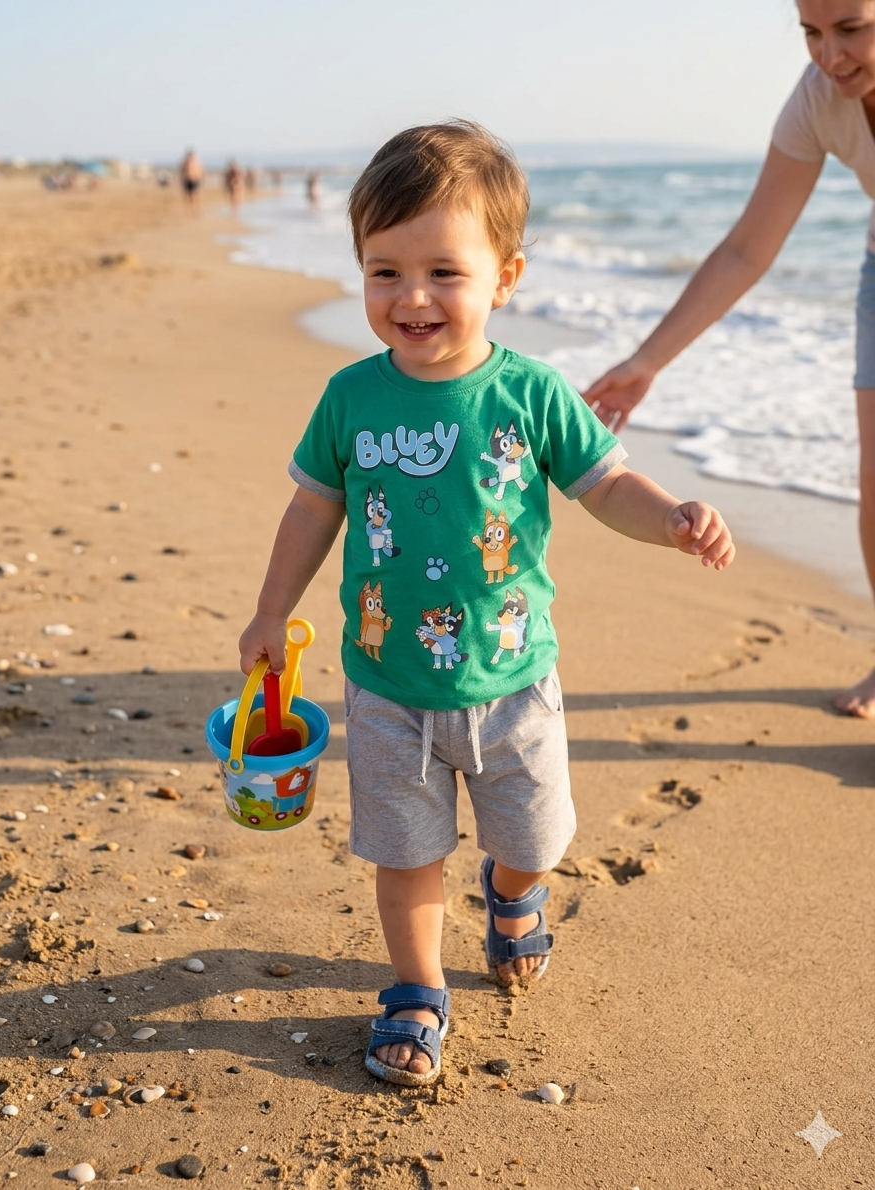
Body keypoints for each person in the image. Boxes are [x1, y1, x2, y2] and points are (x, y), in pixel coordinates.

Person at [238, 120, 735, 1087]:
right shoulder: (351, 398)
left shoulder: (533, 394)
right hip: (387, 683)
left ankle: (511, 899)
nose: (411, 298)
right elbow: (313, 507)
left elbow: (604, 485)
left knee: (537, 841)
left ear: (504, 278)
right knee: (404, 856)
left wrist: (671, 514)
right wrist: (269, 612)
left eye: (443, 273)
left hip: (513, 680)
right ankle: (416, 992)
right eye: (384, 272)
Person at [585, 0, 875, 719]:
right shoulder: (817, 101)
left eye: (852, 29)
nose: (829, 56)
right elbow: (749, 246)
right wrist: (650, 359)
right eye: (811, 32)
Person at [179, 149, 204, 214]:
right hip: (187, 179)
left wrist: (200, 178)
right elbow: (182, 171)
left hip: (195, 179)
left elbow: (200, 171)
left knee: (195, 195)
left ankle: (196, 209)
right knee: (188, 195)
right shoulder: (185, 162)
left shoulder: (196, 162)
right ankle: (189, 209)